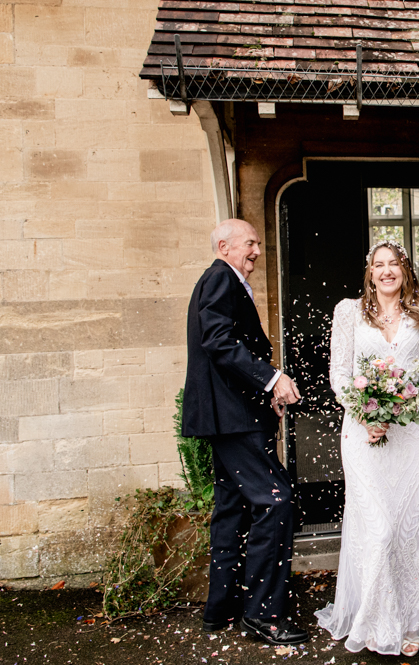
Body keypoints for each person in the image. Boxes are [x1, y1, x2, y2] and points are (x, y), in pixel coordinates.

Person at [316, 240, 419, 657]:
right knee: (379, 529)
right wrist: (364, 414)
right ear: (370, 272)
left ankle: (410, 620)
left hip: (410, 434)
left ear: (405, 270)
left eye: (394, 264)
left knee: (408, 530)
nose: (387, 271)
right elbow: (340, 373)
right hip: (364, 434)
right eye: (380, 265)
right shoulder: (348, 312)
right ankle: (376, 619)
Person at [182, 218, 308, 645]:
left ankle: (222, 607)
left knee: (232, 509)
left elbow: (228, 347)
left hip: (231, 416)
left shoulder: (223, 280)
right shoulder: (220, 278)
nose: (256, 250)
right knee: (277, 502)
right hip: (233, 421)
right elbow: (218, 341)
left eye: (257, 242)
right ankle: (264, 614)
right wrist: (272, 379)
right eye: (249, 243)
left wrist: (262, 391)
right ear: (224, 245)